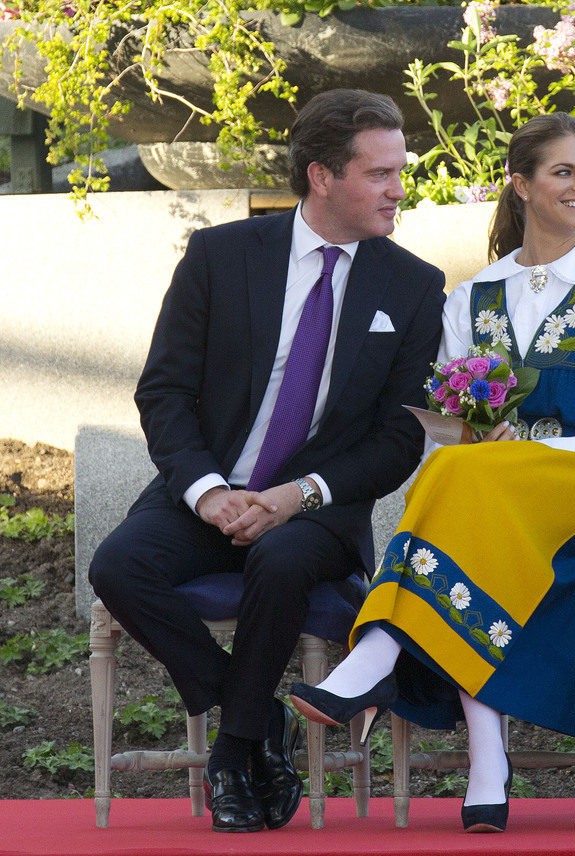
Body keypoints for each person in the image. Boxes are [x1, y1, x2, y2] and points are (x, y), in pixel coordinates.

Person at [290, 112, 575, 832]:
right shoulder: (471, 299)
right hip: (493, 509)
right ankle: (486, 760)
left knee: (468, 483)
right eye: (563, 171)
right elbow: (446, 427)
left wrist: (528, 457)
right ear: (520, 184)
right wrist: (474, 440)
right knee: (462, 482)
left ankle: (378, 654)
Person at [88, 89, 446, 833]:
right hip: (208, 491)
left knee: (279, 561)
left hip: (314, 512)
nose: (398, 189)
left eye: (399, 171)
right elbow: (165, 392)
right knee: (118, 565)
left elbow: (397, 439)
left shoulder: (412, 286)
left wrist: (298, 496)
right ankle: (255, 719)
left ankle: (233, 752)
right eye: (379, 174)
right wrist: (209, 492)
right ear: (322, 176)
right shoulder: (220, 257)